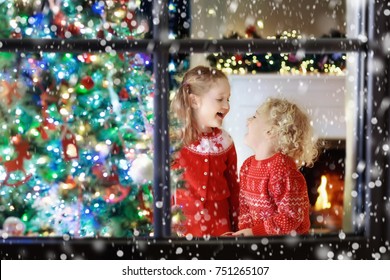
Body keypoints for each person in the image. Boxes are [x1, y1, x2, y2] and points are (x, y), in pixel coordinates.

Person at [231, 97, 318, 236]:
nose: (248, 120)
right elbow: (245, 208)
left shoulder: (282, 170)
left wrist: (254, 233)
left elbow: (291, 217)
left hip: (287, 247)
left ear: (270, 132)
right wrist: (244, 235)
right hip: (261, 243)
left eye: (254, 117)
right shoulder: (247, 166)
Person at [170, 65, 239, 237]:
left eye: (228, 99)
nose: (226, 105)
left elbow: (233, 186)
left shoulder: (225, 142)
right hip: (184, 227)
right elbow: (164, 185)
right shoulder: (174, 140)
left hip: (221, 227)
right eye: (220, 99)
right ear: (194, 101)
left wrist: (237, 225)